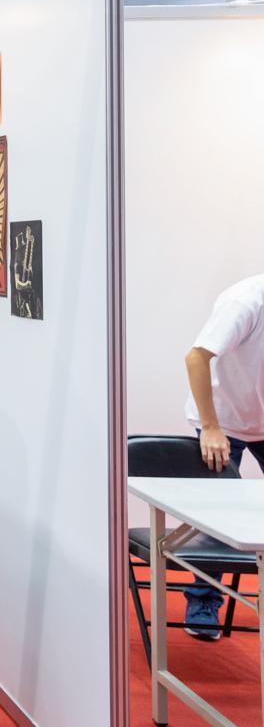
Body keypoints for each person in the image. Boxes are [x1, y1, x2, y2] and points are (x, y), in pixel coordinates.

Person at [180, 274, 264, 639]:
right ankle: (203, 601)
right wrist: (211, 427)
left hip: (259, 415)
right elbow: (196, 357)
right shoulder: (245, 302)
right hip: (223, 420)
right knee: (220, 514)